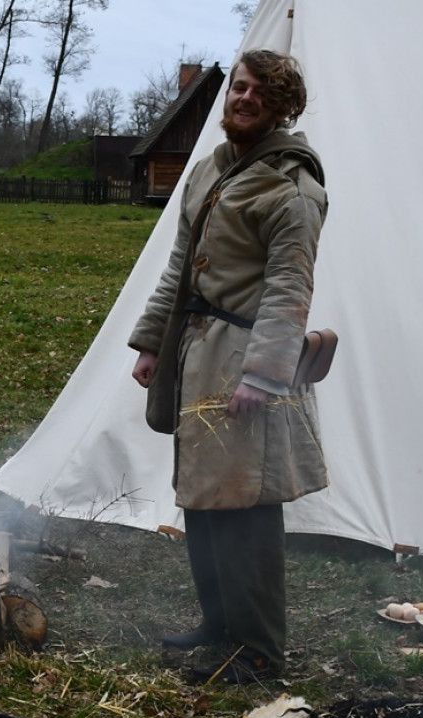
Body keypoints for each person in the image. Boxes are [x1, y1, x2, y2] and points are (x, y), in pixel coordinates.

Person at [129, 50, 329, 683]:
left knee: (246, 504)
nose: (242, 98)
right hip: (196, 350)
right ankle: (219, 625)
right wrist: (152, 342)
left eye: (259, 94)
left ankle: (260, 647)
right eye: (238, 88)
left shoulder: (291, 187)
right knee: (203, 493)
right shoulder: (213, 169)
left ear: (281, 108)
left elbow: (289, 287)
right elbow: (179, 265)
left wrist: (263, 375)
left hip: (244, 360)